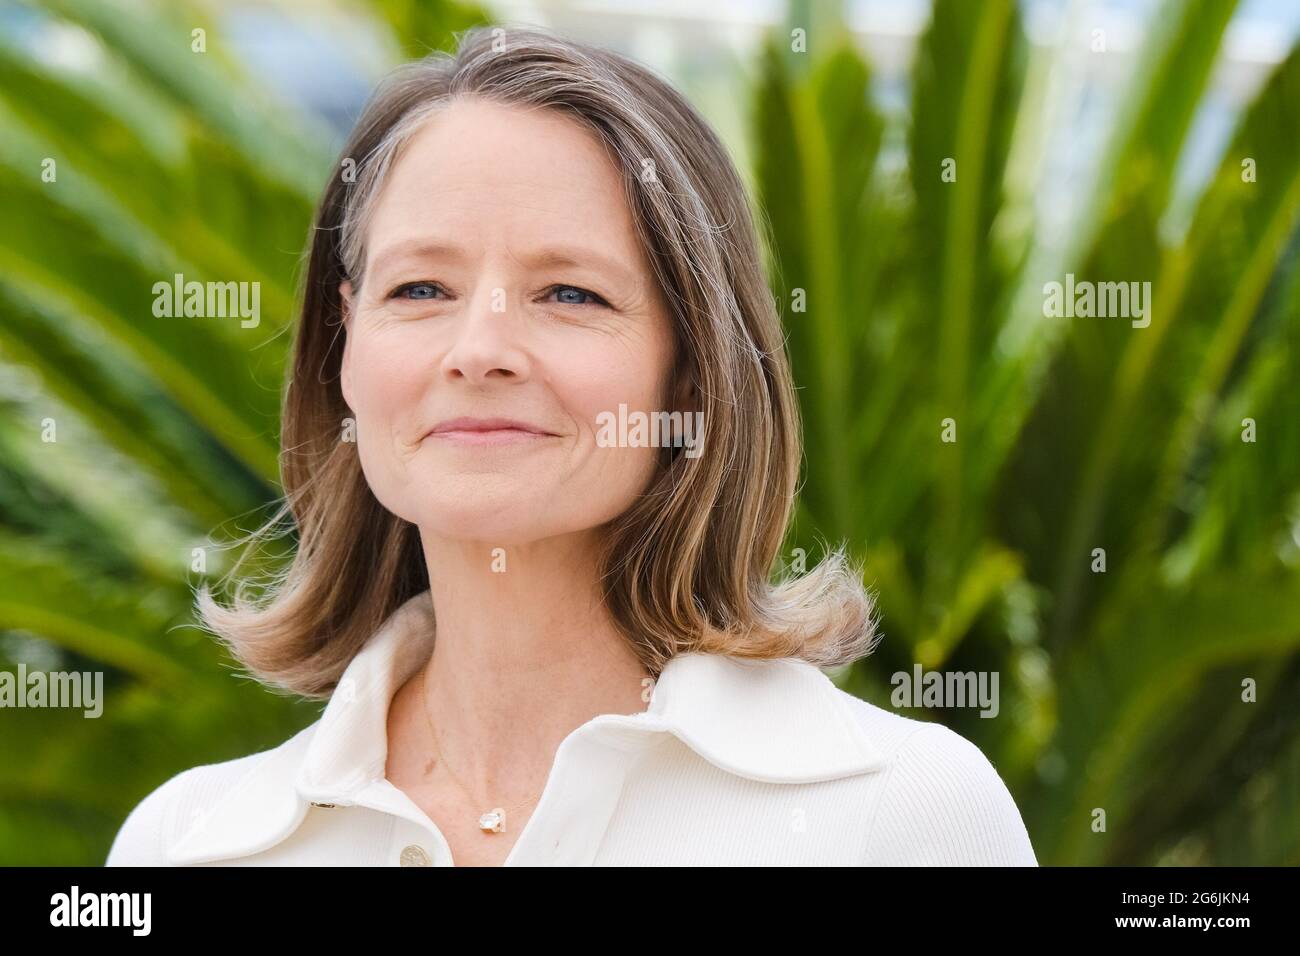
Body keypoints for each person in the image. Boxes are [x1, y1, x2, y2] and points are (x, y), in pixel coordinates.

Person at [105, 24, 1037, 867]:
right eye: (421, 289)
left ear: (692, 370)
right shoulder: (187, 845)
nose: (479, 353)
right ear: (344, 347)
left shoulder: (903, 815)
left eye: (571, 295)